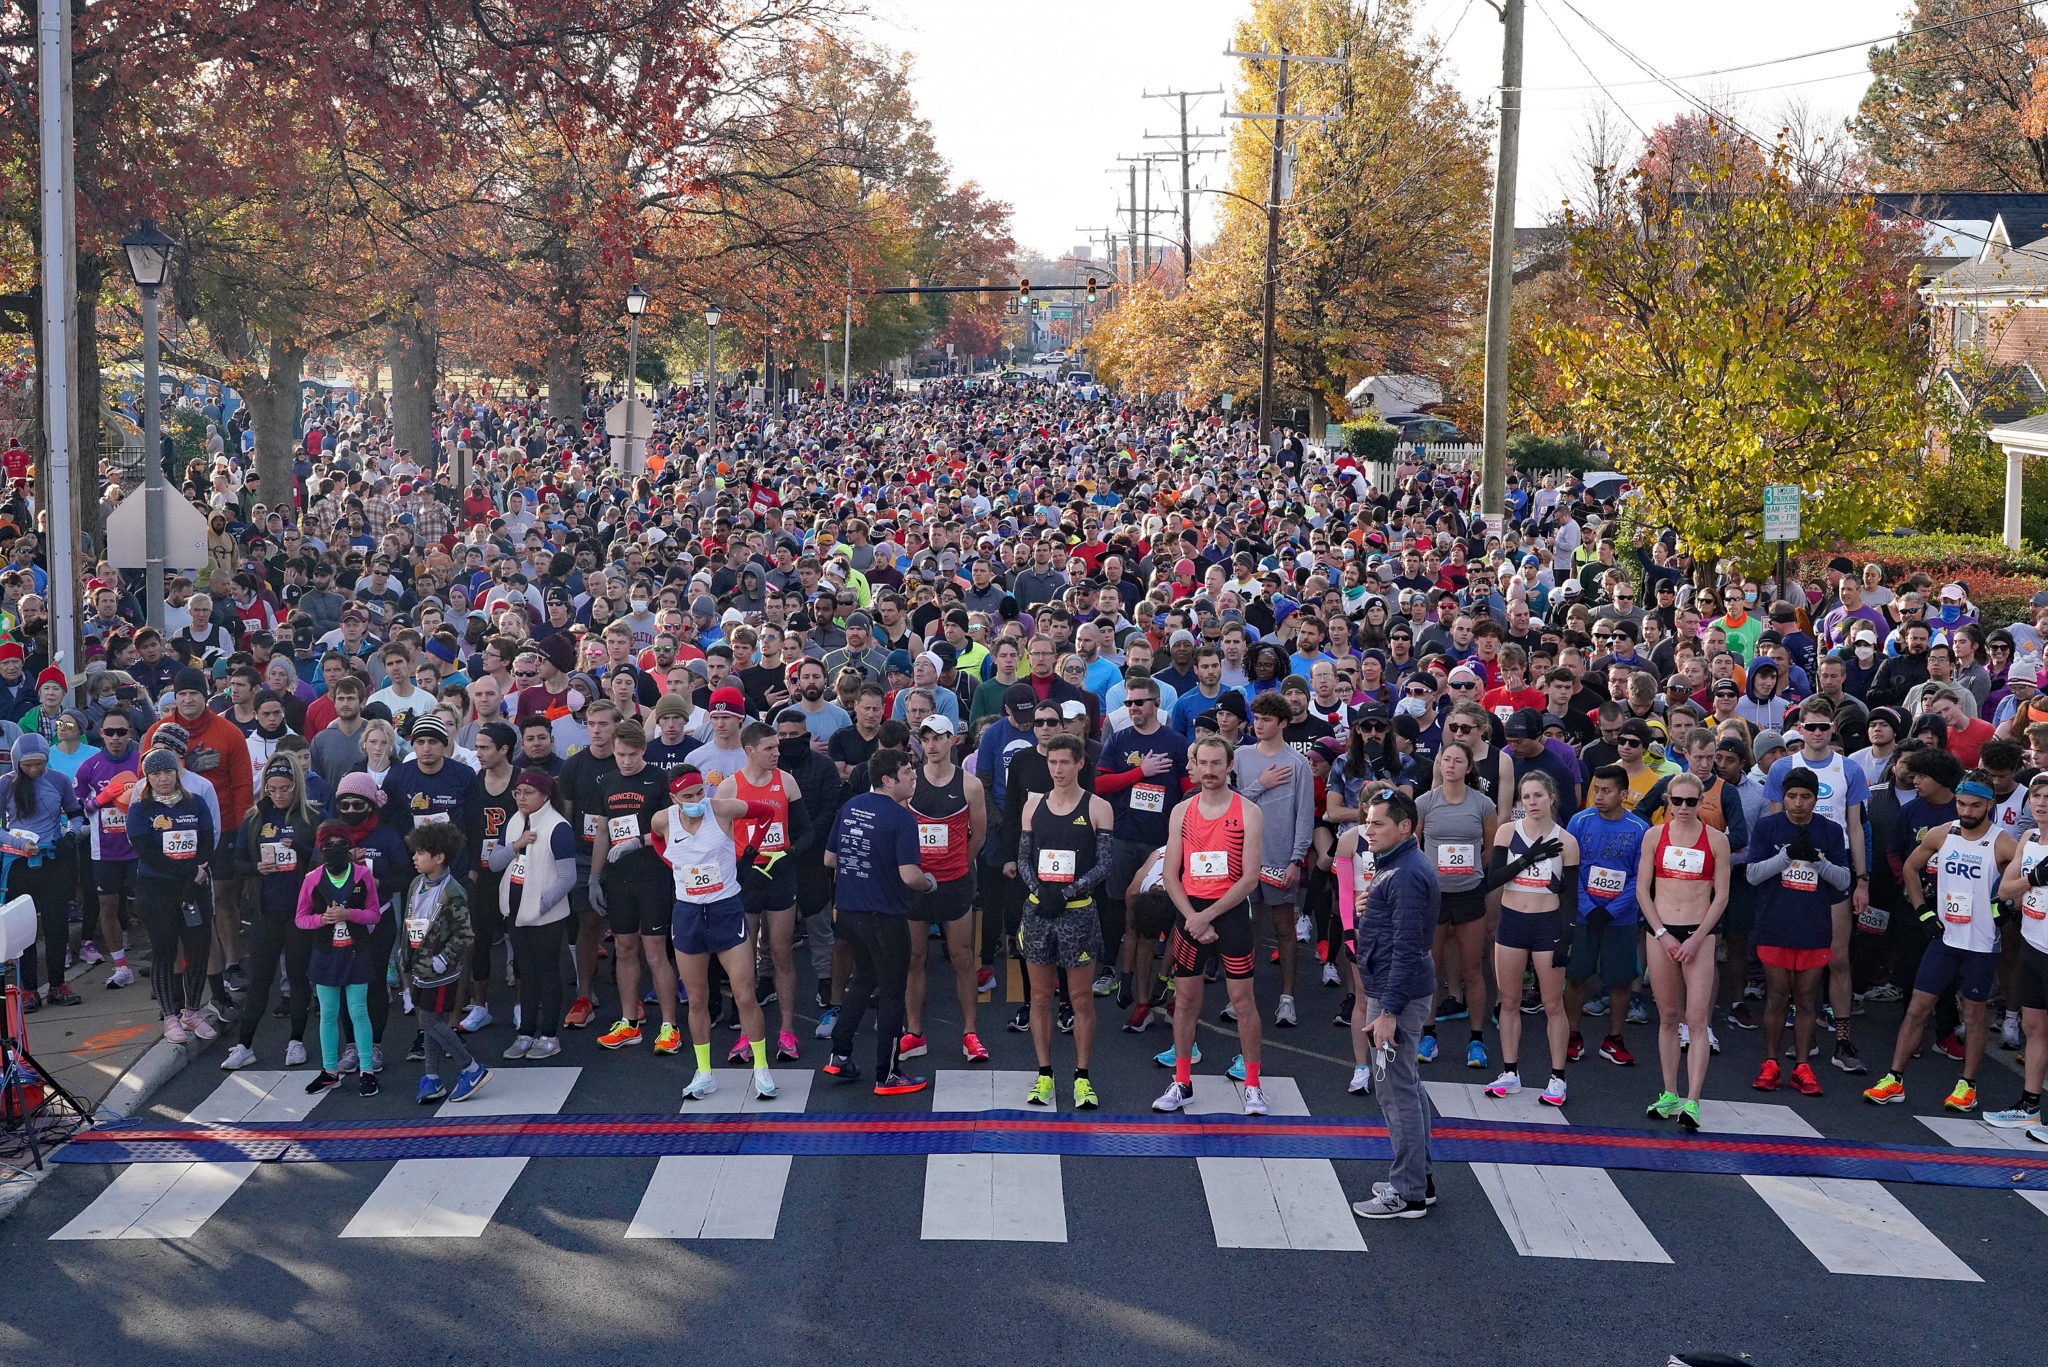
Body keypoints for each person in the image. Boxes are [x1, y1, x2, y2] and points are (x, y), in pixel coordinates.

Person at [1866, 772, 2017, 1113]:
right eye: (1962, 804)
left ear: (1989, 805)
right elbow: (1909, 867)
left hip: (1980, 943)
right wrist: (1921, 910)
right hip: (1945, 937)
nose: (1967, 811)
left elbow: (2023, 874)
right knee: (1917, 1007)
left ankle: (1968, 1086)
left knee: (1974, 1013)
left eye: (1975, 805)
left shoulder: (2002, 841)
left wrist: (2006, 906)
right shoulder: (1942, 833)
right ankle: (1894, 1078)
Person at [1154, 732, 1268, 1115]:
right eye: (1202, 763)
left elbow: (1249, 878)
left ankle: (1253, 1085)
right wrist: (1193, 918)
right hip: (1190, 916)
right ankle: (1182, 1082)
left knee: (1243, 1001)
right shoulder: (1181, 812)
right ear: (1194, 765)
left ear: (1229, 766)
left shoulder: (1248, 812)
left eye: (1216, 763)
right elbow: (1171, 874)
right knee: (1185, 1001)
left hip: (1229, 915)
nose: (1208, 770)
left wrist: (1206, 916)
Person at [1348, 788, 1441, 1221]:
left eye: (1378, 822)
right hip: (1395, 991)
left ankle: (1408, 1194)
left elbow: (1406, 949)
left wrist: (1386, 1013)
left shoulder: (1402, 873)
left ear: (1405, 827)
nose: (1368, 829)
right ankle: (1418, 1180)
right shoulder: (1399, 867)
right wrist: (1367, 911)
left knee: (1395, 1091)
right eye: (1367, 821)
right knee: (1407, 1083)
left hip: (1394, 996)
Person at [822, 748, 934, 1096]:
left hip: (849, 912)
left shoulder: (851, 806)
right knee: (891, 992)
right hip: (885, 916)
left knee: (863, 980)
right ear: (887, 780)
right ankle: (887, 1074)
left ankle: (839, 1055)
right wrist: (930, 883)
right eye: (907, 771)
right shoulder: (902, 818)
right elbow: (909, 875)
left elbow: (830, 859)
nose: (914, 774)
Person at [1016, 732, 1114, 1108]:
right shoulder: (1033, 806)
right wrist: (1042, 892)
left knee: (1080, 998)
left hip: (1078, 915)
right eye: (1052, 762)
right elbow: (1024, 857)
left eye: (1064, 762)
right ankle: (1043, 1075)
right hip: (1039, 912)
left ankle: (1082, 1077)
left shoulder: (1097, 807)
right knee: (1040, 996)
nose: (1057, 769)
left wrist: (1068, 892)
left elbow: (1104, 862)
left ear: (1079, 764)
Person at [1634, 772, 1732, 1129]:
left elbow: (1721, 896)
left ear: (1701, 801)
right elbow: (1643, 890)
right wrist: (1661, 934)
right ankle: (1669, 1092)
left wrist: (1696, 938)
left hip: (1699, 934)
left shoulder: (1717, 841)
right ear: (1668, 801)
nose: (1685, 808)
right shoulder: (1654, 836)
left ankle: (1693, 1099)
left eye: (1692, 801)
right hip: (1662, 933)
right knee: (1668, 1016)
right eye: (1678, 801)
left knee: (1697, 1019)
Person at [1748, 765, 1853, 1097]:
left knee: (1807, 999)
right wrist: (1786, 857)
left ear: (1815, 798)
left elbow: (1845, 880)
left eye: (1805, 797)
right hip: (1775, 925)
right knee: (1777, 997)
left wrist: (1818, 862)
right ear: (1783, 797)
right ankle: (1770, 1063)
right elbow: (1752, 874)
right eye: (1791, 796)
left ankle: (1803, 1066)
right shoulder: (1767, 827)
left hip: (1813, 926)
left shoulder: (1831, 830)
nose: (1797, 803)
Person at [1480, 771, 1579, 1106]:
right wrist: (1528, 858)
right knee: (1508, 1001)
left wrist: (1567, 938)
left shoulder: (1567, 841)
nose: (1532, 803)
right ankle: (1510, 1072)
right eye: (1526, 797)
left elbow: (1570, 897)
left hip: (1547, 925)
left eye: (1538, 796)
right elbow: (1493, 879)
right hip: (1511, 922)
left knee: (1552, 1004)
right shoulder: (1508, 832)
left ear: (1551, 797)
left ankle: (1557, 1078)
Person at [718, 719, 813, 1062]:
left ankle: (787, 1031)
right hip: (746, 881)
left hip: (781, 877)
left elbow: (806, 832)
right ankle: (747, 1034)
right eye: (770, 748)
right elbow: (719, 837)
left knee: (781, 954)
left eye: (777, 747)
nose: (777, 752)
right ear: (750, 751)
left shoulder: (785, 782)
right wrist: (741, 859)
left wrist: (789, 854)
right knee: (744, 963)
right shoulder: (730, 788)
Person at [590, 719, 686, 1056]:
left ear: (643, 750)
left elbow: (675, 826)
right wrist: (594, 876)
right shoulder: (607, 782)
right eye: (620, 755)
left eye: (632, 754)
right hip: (619, 879)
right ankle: (628, 1022)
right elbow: (603, 831)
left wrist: (638, 841)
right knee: (625, 948)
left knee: (655, 951)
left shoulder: (659, 780)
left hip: (653, 876)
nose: (626, 761)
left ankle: (669, 1025)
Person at [221, 757, 320, 1070]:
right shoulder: (255, 818)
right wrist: (256, 869)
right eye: (272, 789)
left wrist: (301, 849)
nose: (278, 795)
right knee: (261, 980)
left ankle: (296, 1041)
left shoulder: (312, 816)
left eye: (285, 789)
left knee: (299, 977)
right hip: (266, 909)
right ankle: (244, 1045)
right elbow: (235, 862)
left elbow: (326, 860)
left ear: (297, 787)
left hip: (301, 910)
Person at [901, 714, 989, 1064]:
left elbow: (978, 834)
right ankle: (914, 1033)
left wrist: (957, 865)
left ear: (952, 740)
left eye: (938, 738)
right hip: (916, 884)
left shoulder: (970, 785)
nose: (932, 745)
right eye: (926, 739)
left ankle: (970, 1034)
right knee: (915, 958)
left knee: (962, 957)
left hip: (954, 882)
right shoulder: (910, 782)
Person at [1234, 691, 1317, 1029]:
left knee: (1285, 929)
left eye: (1267, 720)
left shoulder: (1297, 764)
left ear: (1283, 723)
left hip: (1281, 859)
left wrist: (1296, 859)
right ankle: (1241, 996)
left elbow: (1304, 816)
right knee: (1245, 929)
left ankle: (1287, 999)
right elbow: (1230, 803)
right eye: (1257, 718)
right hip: (1242, 859)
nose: (1260, 725)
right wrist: (1260, 785)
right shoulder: (1239, 756)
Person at [1414, 740, 1496, 1069]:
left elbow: (1491, 848)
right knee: (1430, 969)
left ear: (1468, 767)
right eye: (1445, 759)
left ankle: (1476, 1041)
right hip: (1434, 895)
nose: (1450, 765)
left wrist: (1471, 867)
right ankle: (1428, 1035)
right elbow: (1413, 843)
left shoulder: (1483, 804)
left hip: (1469, 893)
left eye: (1457, 760)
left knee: (1472, 969)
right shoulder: (1424, 803)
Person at [128, 745, 217, 1044]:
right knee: (164, 952)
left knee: (197, 950)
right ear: (148, 778)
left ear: (177, 772)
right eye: (156, 773)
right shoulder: (140, 809)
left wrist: (193, 882)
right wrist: (188, 873)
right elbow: (148, 853)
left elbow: (207, 843)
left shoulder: (196, 803)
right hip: (156, 889)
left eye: (168, 771)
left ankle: (192, 1011)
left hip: (195, 886)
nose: (163, 778)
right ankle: (169, 1016)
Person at [400, 820, 491, 1104]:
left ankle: (471, 1068)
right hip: (419, 967)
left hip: (440, 972)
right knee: (430, 1019)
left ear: (439, 858)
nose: (414, 858)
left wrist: (443, 958)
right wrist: (406, 957)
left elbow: (465, 935)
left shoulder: (453, 893)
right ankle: (433, 1077)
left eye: (420, 853)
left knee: (429, 1020)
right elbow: (409, 922)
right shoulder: (416, 883)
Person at [491, 770, 576, 1060]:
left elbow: (567, 878)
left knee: (548, 974)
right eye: (518, 792)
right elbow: (494, 863)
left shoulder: (558, 827)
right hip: (514, 913)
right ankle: (526, 1032)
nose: (521, 798)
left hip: (545, 917)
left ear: (545, 795)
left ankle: (550, 1035)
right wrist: (516, 845)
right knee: (525, 974)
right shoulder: (513, 822)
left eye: (528, 792)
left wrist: (539, 906)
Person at [296, 820, 384, 1095]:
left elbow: (374, 914)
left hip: (356, 951)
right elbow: (300, 918)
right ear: (320, 848)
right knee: (328, 1013)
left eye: (341, 845)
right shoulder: (312, 879)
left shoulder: (361, 875)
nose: (334, 849)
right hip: (326, 952)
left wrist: (350, 915)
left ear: (350, 847)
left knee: (358, 1010)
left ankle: (367, 1070)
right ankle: (329, 1070)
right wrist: (322, 919)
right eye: (328, 845)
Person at [1991, 772, 2048, 1132]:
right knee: (2033, 1026)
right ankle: (2029, 1105)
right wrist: (2034, 880)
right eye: (2037, 796)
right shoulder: (2029, 839)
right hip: (2033, 943)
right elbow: (2005, 891)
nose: (2041, 803)